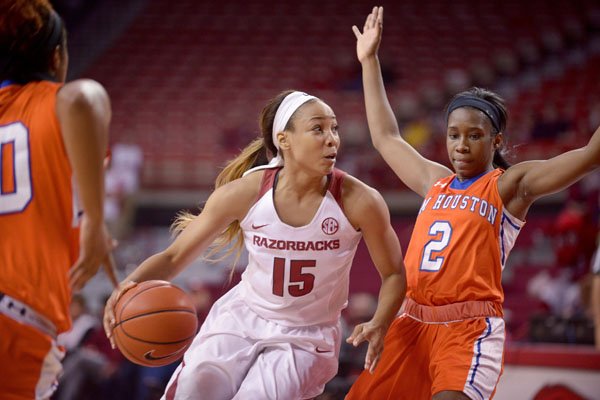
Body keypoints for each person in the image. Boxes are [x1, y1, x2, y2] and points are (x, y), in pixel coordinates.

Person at [346, 6, 600, 400]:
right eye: (453, 135)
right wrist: (369, 61)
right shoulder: (435, 181)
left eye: (474, 136)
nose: (461, 145)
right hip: (411, 320)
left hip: (468, 328)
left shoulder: (510, 186)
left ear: (496, 140)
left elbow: (589, 154)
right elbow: (385, 137)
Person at [103, 90, 407, 400]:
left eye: (334, 128)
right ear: (283, 139)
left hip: (306, 334)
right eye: (318, 128)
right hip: (242, 316)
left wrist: (380, 322)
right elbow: (174, 256)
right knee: (195, 387)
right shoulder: (245, 192)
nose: (332, 139)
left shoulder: (360, 201)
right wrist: (125, 286)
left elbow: (394, 273)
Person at [0, 1, 116, 398]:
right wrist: (97, 223)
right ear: (56, 55)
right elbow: (87, 97)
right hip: (14, 321)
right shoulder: (57, 104)